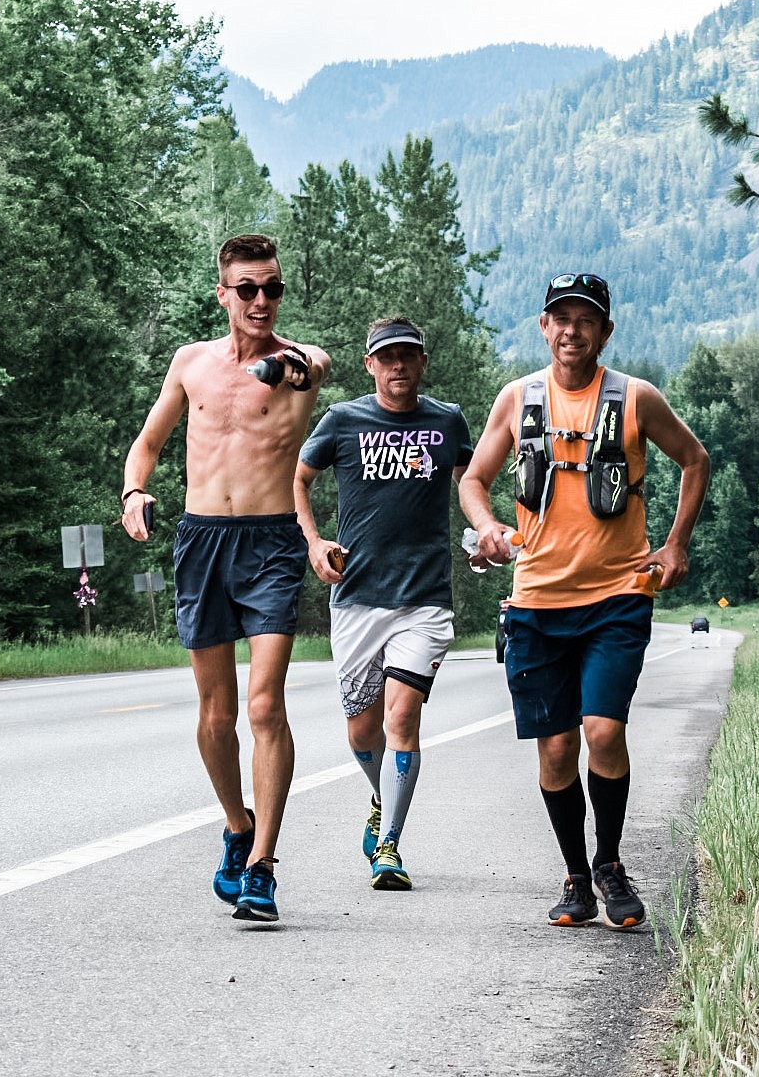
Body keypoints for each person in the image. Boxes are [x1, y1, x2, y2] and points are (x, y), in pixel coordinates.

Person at [459, 272, 709, 928]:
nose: (572, 329)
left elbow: (695, 458)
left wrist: (675, 544)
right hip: (537, 601)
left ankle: (611, 860)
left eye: (585, 318)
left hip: (618, 596)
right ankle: (576, 876)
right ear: (543, 326)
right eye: (560, 317)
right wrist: (486, 525)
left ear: (605, 330)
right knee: (554, 750)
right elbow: (474, 479)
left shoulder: (636, 398)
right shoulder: (517, 399)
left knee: (602, 729)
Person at [120, 233, 330, 923]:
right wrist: (133, 493)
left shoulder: (298, 362)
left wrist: (290, 367)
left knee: (264, 704)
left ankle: (263, 866)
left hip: (270, 543)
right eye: (248, 289)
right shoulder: (191, 364)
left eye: (272, 288)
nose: (262, 300)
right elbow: (148, 443)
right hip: (202, 541)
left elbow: (312, 368)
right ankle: (237, 824)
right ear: (223, 293)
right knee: (215, 716)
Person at [293, 318, 473, 890]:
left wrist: (483, 535)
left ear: (423, 363)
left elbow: (471, 484)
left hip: (424, 599)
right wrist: (315, 541)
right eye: (386, 357)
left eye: (407, 356)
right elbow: (298, 479)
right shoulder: (343, 421)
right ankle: (380, 798)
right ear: (370, 365)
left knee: (402, 718)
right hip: (357, 599)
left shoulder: (447, 422)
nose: (397, 366)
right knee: (361, 731)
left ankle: (389, 846)